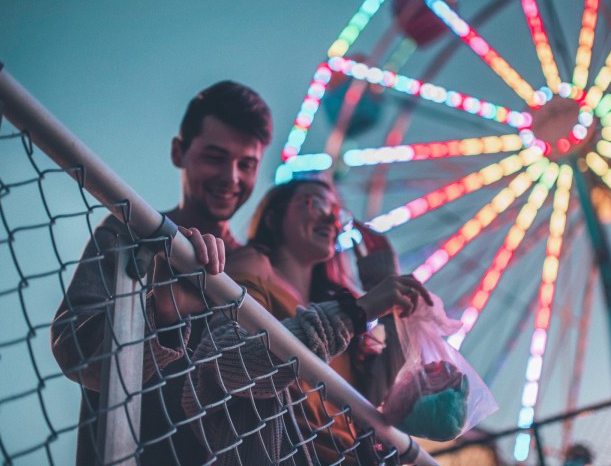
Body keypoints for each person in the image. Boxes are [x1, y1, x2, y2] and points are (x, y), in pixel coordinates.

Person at [50, 80, 273, 465]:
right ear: (178, 152)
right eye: (215, 157)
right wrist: (161, 313)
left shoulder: (256, 267)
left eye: (246, 164)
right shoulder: (128, 231)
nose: (231, 177)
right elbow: (74, 350)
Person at [180, 178, 433, 465]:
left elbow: (370, 400)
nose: (331, 217)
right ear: (274, 218)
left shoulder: (326, 301)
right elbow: (226, 362)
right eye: (316, 202)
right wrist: (356, 312)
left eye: (338, 213)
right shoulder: (255, 266)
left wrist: (391, 312)